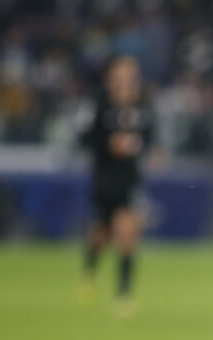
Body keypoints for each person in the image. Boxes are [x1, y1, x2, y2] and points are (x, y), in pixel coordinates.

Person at [80, 55, 154, 313]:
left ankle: (123, 295)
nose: (128, 76)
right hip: (104, 178)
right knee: (101, 234)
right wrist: (109, 145)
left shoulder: (142, 106)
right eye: (123, 71)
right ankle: (89, 269)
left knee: (128, 233)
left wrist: (148, 149)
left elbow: (149, 136)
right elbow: (85, 139)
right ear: (111, 76)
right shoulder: (99, 104)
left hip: (129, 179)